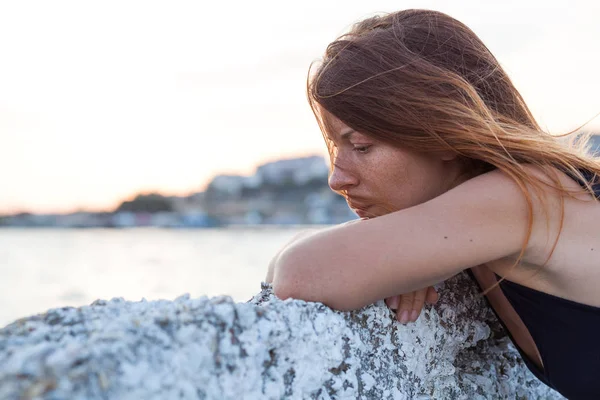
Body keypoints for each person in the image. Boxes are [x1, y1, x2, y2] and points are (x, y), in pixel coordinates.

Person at [264, 9, 600, 399]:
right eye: (336, 149)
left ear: (438, 132)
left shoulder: (521, 195)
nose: (337, 178)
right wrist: (403, 249)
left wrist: (396, 245)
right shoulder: (513, 207)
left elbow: (298, 275)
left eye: (361, 146)